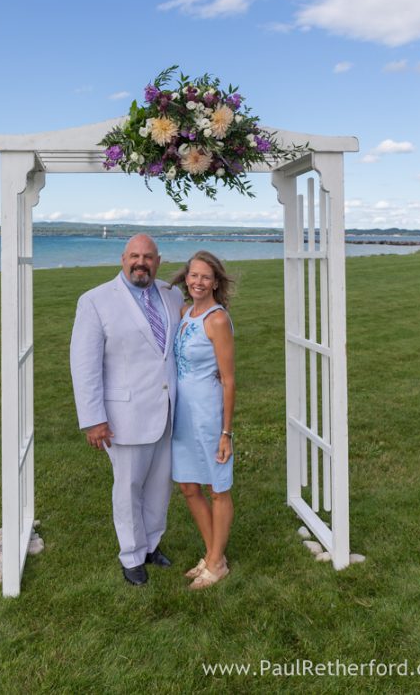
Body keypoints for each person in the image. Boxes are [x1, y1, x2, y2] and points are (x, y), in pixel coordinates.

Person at [70, 234, 184, 586]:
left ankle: (152, 545)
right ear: (123, 259)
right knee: (128, 487)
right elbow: (84, 364)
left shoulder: (172, 295)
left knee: (159, 487)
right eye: (135, 256)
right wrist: (93, 419)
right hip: (124, 416)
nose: (141, 262)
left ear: (158, 261)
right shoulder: (95, 301)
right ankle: (131, 556)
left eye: (148, 257)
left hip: (168, 411)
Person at [169, 251, 235, 590]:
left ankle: (214, 562)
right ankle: (215, 556)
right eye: (193, 275)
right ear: (186, 278)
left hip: (209, 415)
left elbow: (228, 380)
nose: (198, 282)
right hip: (182, 414)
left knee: (216, 488)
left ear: (215, 282)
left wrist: (226, 432)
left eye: (205, 277)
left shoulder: (217, 320)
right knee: (188, 486)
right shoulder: (184, 313)